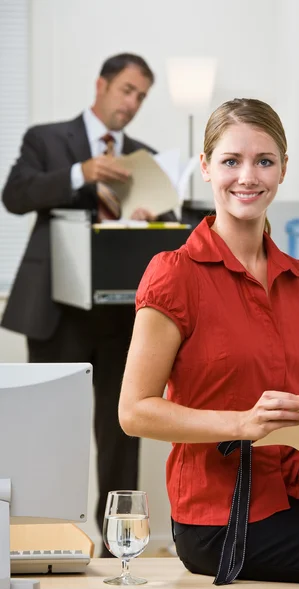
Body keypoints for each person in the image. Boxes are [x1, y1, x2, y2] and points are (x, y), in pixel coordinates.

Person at [118, 97, 299, 589]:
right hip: (220, 515)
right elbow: (134, 411)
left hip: (297, 483)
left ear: (283, 169)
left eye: (264, 161)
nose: (247, 177)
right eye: (231, 161)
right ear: (205, 167)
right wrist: (242, 424)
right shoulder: (174, 276)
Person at [1, 52, 175, 556]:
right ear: (101, 84)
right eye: (126, 90)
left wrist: (148, 219)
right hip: (58, 311)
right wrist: (80, 172)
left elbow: (164, 234)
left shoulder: (145, 157)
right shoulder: (47, 139)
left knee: (124, 430)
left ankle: (118, 545)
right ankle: (49, 541)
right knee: (54, 430)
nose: (133, 103)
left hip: (124, 315)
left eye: (141, 96)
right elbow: (14, 195)